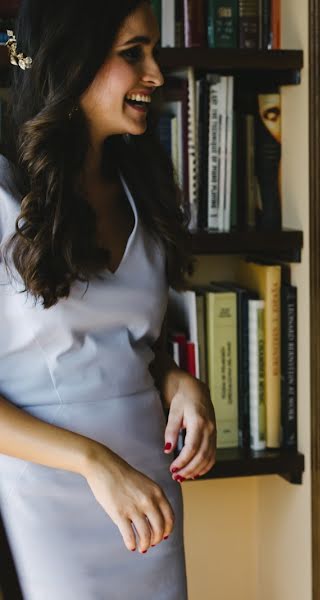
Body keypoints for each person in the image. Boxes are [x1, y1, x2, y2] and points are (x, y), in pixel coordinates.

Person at [0, 1, 216, 598]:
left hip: (147, 491)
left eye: (152, 52)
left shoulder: (139, 185)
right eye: (133, 54)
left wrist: (176, 381)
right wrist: (94, 463)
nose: (154, 73)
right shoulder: (0, 196)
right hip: (49, 500)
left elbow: (129, 346)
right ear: (73, 61)